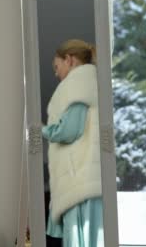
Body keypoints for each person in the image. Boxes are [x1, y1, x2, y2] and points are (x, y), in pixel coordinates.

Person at [43, 39, 104, 246]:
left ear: (69, 60)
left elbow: (68, 131)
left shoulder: (77, 83)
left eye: (56, 67)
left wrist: (39, 129)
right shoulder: (91, 81)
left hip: (80, 182)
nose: (56, 73)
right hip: (88, 178)